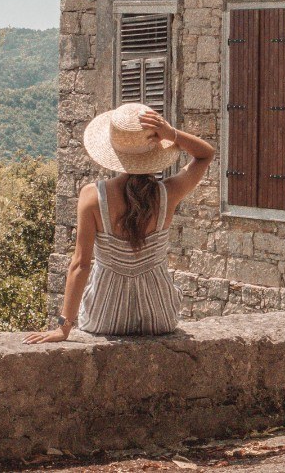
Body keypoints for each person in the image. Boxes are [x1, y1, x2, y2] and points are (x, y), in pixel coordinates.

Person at [22, 102, 215, 343]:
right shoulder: (168, 193)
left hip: (105, 317)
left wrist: (63, 327)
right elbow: (206, 154)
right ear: (154, 151)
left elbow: (80, 264)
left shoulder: (93, 196)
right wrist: (171, 133)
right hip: (159, 315)